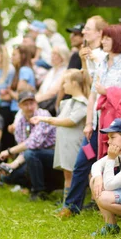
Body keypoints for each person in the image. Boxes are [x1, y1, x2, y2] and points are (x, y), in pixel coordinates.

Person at [56, 24, 121, 218]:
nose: (103, 42)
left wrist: (108, 91)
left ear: (118, 40)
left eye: (107, 38)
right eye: (103, 38)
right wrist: (88, 123)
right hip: (98, 125)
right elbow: (92, 95)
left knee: (119, 166)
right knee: (82, 162)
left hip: (118, 127)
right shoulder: (101, 63)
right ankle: (71, 206)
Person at [30, 69, 88, 205]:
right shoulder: (67, 102)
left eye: (65, 82)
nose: (63, 86)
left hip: (75, 144)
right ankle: (67, 202)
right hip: (65, 143)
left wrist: (45, 119)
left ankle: (74, 203)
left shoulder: (82, 103)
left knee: (76, 174)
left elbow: (69, 121)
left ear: (74, 83)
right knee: (67, 174)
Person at [0, 91, 59, 201]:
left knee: (31, 154)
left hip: (52, 156)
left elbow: (33, 143)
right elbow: (25, 150)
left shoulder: (43, 115)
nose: (30, 107)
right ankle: (34, 188)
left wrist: (9, 151)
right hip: (34, 157)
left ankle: (39, 191)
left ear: (36, 103)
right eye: (26, 104)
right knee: (7, 175)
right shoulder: (20, 122)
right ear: (19, 106)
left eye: (32, 103)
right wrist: (13, 165)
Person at [35, 45, 70, 115]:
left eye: (55, 54)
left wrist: (36, 100)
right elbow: (41, 89)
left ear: (62, 56)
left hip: (52, 105)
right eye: (52, 53)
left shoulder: (65, 71)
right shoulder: (51, 71)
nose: (52, 56)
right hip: (41, 102)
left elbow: (53, 92)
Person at [79, 15, 108, 84]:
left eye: (87, 29)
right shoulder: (91, 52)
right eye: (84, 29)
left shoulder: (101, 55)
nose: (83, 32)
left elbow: (88, 83)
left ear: (99, 32)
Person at [9, 45, 36, 116]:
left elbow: (20, 95)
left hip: (20, 111)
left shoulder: (24, 70)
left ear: (22, 56)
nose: (12, 57)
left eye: (14, 55)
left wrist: (9, 91)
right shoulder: (21, 70)